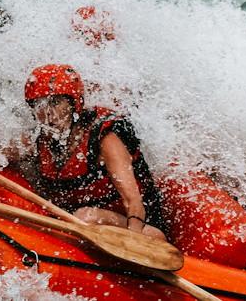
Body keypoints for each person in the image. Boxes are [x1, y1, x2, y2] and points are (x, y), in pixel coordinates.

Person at [13, 64, 167, 239]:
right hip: (81, 224)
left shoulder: (105, 138)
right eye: (40, 105)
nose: (49, 114)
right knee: (79, 217)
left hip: (142, 227)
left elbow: (133, 201)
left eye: (56, 103)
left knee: (85, 216)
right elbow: (3, 152)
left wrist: (133, 242)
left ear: (73, 103)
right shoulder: (40, 139)